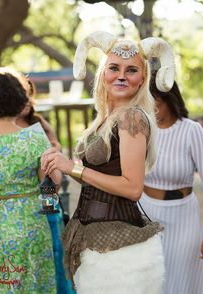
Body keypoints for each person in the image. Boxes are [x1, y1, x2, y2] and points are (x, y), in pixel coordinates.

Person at [41, 31, 175, 294]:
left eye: (131, 70)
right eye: (114, 67)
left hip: (120, 254)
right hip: (96, 241)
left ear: (142, 79)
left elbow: (132, 188)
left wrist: (74, 168)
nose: (121, 75)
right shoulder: (108, 117)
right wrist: (62, 162)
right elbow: (99, 175)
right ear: (103, 73)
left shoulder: (132, 118)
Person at [139, 75, 203, 294]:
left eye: (156, 99)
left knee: (182, 279)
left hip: (184, 216)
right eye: (145, 100)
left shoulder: (192, 131)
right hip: (147, 214)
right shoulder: (143, 132)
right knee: (154, 279)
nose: (151, 106)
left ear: (169, 97)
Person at [0, 66, 62, 293]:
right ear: (19, 100)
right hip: (29, 225)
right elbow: (52, 182)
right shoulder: (34, 137)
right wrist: (50, 214)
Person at [15, 77, 75, 294]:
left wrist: (53, 147)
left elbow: (55, 144)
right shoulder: (5, 127)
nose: (26, 104)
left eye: (28, 99)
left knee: (51, 231)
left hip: (46, 188)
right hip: (22, 196)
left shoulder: (38, 123)